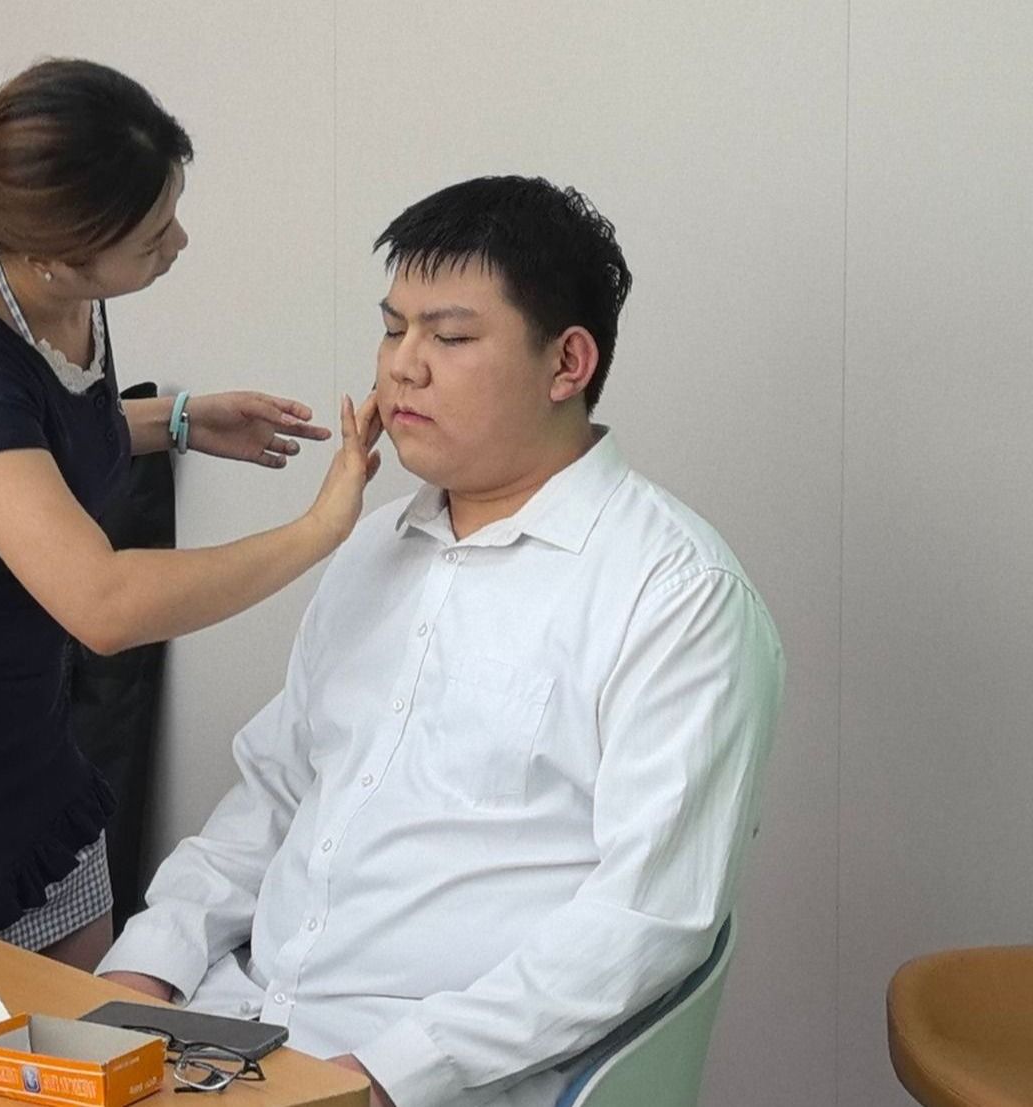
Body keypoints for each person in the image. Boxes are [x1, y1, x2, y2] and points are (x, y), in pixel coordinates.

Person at [98, 176, 786, 1107]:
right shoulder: (375, 546)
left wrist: (384, 1075)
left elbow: (647, 917)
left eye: (450, 337)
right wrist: (143, 969)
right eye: (393, 330)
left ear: (567, 363)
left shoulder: (674, 593)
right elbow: (274, 795)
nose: (403, 369)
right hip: (236, 1031)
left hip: (431, 1077)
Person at [0, 58, 385, 971]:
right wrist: (316, 532)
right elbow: (103, 603)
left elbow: (36, 435)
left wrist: (177, 421)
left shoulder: (63, 300)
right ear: (54, 250)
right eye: (151, 238)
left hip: (32, 758)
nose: (178, 243)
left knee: (85, 1037)